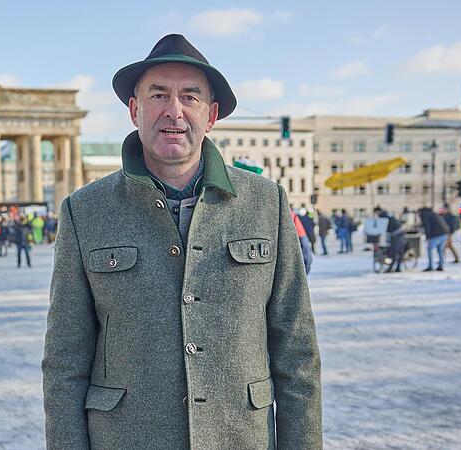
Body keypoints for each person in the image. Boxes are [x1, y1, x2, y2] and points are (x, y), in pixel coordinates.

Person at [42, 34, 321, 448]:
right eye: (158, 95)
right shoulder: (85, 212)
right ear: (135, 110)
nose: (174, 111)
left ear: (211, 116)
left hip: (238, 438)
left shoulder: (267, 203)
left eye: (190, 97)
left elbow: (297, 355)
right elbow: (65, 361)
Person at [419, 207, 450, 271]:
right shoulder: (434, 214)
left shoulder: (424, 215)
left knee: (429, 249)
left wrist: (428, 237)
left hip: (438, 234)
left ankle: (430, 266)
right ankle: (441, 266)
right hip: (445, 233)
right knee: (440, 250)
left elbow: (427, 226)